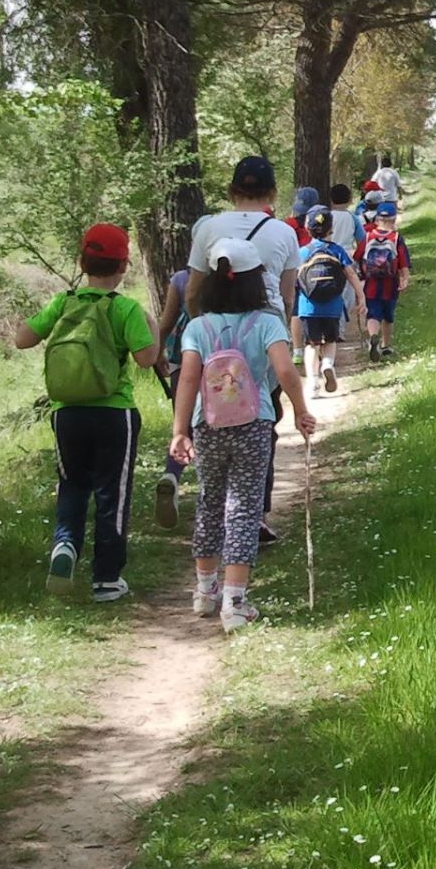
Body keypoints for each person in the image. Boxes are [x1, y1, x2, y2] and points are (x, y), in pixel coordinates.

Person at [169, 236, 316, 632]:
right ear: (256, 282)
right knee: (245, 508)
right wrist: (301, 410)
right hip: (253, 425)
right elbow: (285, 371)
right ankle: (234, 603)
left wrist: (180, 430)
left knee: (210, 503)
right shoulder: (267, 323)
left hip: (209, 426)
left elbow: (187, 378)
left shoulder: (198, 327)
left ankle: (204, 592)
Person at [15, 223, 159, 602]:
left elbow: (21, 339)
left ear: (82, 262)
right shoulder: (125, 308)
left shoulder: (63, 303)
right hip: (115, 414)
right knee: (114, 492)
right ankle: (107, 578)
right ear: (124, 266)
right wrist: (154, 327)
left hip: (67, 413)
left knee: (72, 485)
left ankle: (65, 546)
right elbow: (147, 359)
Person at [182, 156, 301, 545]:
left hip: (212, 336)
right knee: (259, 418)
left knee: (214, 414)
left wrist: (199, 330)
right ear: (271, 193)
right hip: (262, 338)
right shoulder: (284, 233)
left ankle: (212, 514)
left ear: (232, 191)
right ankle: (254, 513)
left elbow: (193, 291)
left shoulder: (210, 227)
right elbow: (286, 295)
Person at [296, 208, 358, 394]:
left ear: (308, 229)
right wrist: (361, 296)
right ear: (331, 229)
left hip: (308, 307)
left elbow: (293, 279)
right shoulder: (337, 251)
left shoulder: (303, 252)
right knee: (330, 341)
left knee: (311, 344)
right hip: (333, 306)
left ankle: (313, 382)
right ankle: (328, 364)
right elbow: (351, 274)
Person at [151, 267, 191, 528]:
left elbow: (166, 323)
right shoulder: (237, 272)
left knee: (183, 429)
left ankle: (172, 474)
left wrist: (157, 351)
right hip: (226, 368)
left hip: (185, 360)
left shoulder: (181, 279)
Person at [358, 199, 410, 362]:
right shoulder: (396, 238)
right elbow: (403, 262)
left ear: (377, 219)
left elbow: (358, 257)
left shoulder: (368, 237)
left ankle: (373, 336)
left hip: (371, 283)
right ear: (394, 220)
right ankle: (385, 345)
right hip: (390, 283)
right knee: (388, 316)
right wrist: (405, 279)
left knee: (373, 314)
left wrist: (359, 277)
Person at [327, 184, 365, 328]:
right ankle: (341, 325)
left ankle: (330, 322)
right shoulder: (353, 218)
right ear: (349, 199)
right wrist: (357, 258)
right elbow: (362, 241)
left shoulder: (327, 216)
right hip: (347, 257)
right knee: (346, 293)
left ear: (331, 199)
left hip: (328, 255)